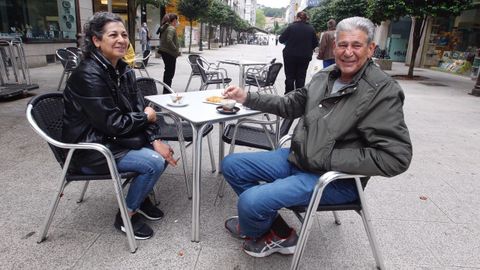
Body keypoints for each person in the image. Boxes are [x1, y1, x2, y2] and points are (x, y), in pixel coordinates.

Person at [221, 17, 412, 258]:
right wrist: (247, 97)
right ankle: (274, 231)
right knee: (232, 165)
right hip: (298, 159)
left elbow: (396, 158)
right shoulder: (326, 75)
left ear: (371, 49)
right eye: (343, 45)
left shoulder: (382, 91)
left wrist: (325, 157)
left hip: (333, 180)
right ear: (334, 47)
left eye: (357, 45)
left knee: (249, 203)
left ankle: (256, 225)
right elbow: (291, 104)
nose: (348, 52)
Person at [62, 12, 178, 240]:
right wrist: (147, 120)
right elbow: (115, 123)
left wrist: (154, 139)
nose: (121, 40)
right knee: (153, 162)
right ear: (96, 41)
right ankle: (126, 215)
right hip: (89, 149)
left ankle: (141, 200)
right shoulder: (87, 75)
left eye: (124, 34)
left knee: (162, 152)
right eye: (112, 35)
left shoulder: (123, 69)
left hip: (112, 139)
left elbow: (139, 107)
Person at [279, 11, 318, 94]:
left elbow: (281, 39)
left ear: (298, 18)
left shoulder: (291, 27)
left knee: (290, 77)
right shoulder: (311, 29)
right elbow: (315, 43)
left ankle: (289, 96)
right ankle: (299, 97)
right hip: (304, 57)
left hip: (290, 56)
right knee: (301, 77)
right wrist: (307, 48)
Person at [157, 13, 181, 94]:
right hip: (170, 53)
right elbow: (169, 40)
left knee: (167, 72)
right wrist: (175, 49)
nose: (177, 22)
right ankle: (167, 91)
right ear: (174, 20)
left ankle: (166, 89)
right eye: (176, 20)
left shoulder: (165, 27)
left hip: (164, 52)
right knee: (170, 73)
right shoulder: (171, 28)